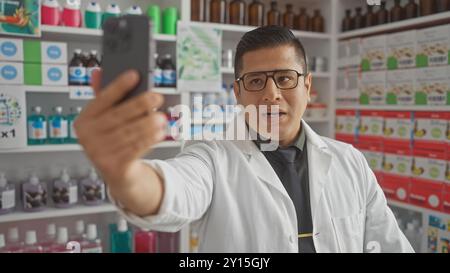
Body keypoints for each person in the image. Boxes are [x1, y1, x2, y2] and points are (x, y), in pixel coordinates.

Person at [75, 26, 413, 253]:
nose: (271, 95)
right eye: (255, 82)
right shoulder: (213, 156)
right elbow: (174, 188)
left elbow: (388, 244)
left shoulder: (349, 161)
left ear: (307, 87)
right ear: (237, 92)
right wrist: (125, 174)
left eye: (284, 78)